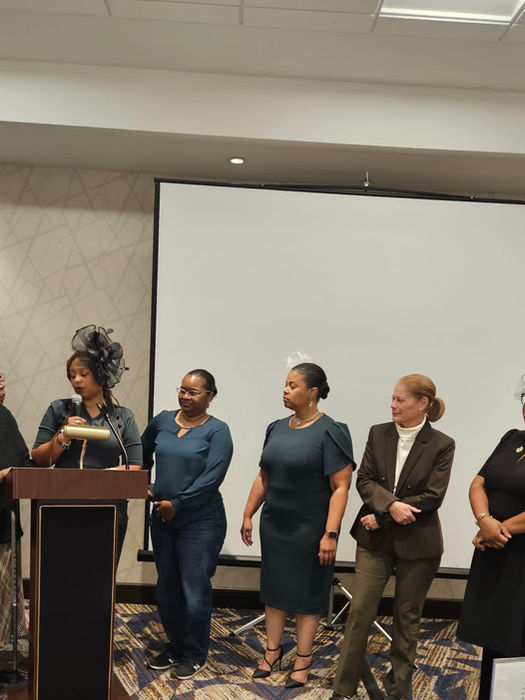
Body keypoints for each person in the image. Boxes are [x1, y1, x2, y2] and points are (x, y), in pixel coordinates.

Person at [331, 374, 455, 700]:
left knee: (407, 618)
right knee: (360, 612)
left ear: (422, 403)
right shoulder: (378, 433)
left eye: (400, 400)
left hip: (418, 542)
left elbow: (433, 497)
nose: (393, 405)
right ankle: (343, 690)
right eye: (393, 398)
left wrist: (383, 516)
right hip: (374, 541)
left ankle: (398, 690)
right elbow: (365, 480)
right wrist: (391, 506)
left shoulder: (442, 444)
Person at [241, 361, 354, 689]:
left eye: (293, 385)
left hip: (311, 529)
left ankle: (303, 659)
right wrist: (248, 514)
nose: (285, 390)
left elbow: (341, 488)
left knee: (307, 595)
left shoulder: (332, 431)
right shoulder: (276, 427)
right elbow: (264, 476)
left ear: (312, 392)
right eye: (286, 384)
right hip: (275, 524)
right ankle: (272, 651)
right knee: (274, 591)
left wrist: (330, 533)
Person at [142, 369, 233, 681]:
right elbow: (141, 453)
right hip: (162, 518)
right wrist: (143, 483)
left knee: (193, 590)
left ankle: (194, 654)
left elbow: (212, 478)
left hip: (201, 521)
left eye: (193, 392)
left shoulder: (217, 431)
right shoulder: (163, 420)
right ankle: (175, 647)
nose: (185, 396)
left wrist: (177, 503)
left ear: (210, 396)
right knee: (166, 590)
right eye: (182, 390)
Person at [31, 326, 143, 560]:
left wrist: (103, 477)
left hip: (108, 507)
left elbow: (135, 465)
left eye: (83, 374)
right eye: (72, 375)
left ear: (100, 375)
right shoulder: (58, 409)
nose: (76, 380)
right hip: (61, 504)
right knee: (60, 570)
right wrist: (63, 435)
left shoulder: (122, 417)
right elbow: (39, 459)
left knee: (100, 573)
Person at [456, 375, 525, 700]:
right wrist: (485, 521)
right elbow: (479, 483)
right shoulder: (512, 438)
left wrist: (498, 529)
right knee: (496, 637)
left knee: (518, 637)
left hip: (519, 556)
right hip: (497, 554)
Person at [0, 371, 32, 643]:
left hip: (5, 524)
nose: (2, 386)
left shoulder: (5, 416)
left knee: (6, 604)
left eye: (2, 380)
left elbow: (24, 460)